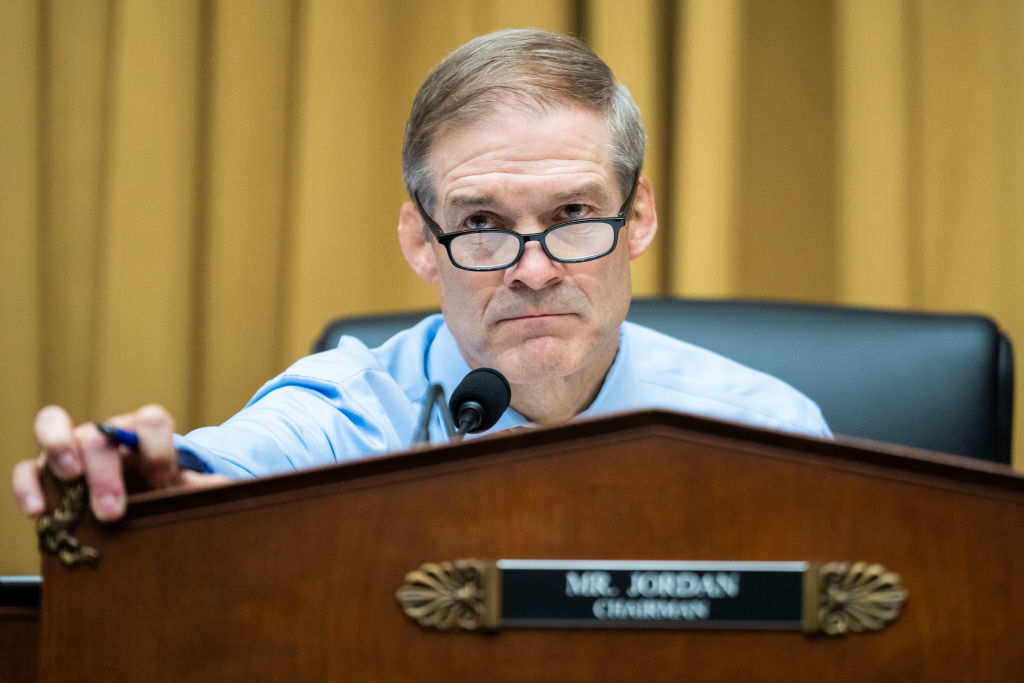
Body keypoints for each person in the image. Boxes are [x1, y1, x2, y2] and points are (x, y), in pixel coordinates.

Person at [13, 28, 830, 524]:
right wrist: (148, 490)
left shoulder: (767, 430)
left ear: (638, 219)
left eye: (574, 214)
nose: (536, 271)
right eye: (481, 224)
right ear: (421, 239)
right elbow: (217, 475)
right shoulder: (348, 416)